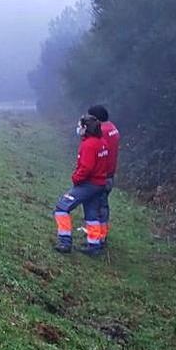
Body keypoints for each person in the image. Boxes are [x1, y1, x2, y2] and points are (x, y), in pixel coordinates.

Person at [53, 114, 111, 255]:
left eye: (79, 126)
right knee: (92, 215)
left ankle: (64, 242)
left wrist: (76, 178)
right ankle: (94, 246)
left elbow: (86, 168)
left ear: (85, 127)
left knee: (61, 207)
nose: (78, 128)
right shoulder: (103, 142)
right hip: (100, 184)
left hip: (88, 184)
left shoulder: (89, 145)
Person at [88, 105, 121, 247]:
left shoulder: (103, 131)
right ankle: (103, 235)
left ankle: (98, 239)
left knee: (96, 207)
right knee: (103, 206)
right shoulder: (112, 128)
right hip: (110, 174)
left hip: (101, 175)